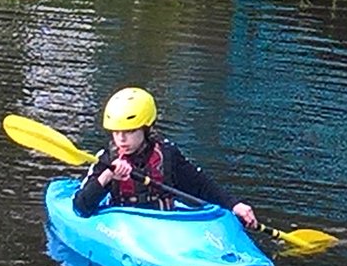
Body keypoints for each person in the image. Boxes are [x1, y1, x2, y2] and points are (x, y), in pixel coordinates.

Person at [72, 86, 258, 228]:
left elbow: (201, 185)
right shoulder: (106, 159)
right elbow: (81, 207)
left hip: (165, 225)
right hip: (124, 225)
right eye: (116, 132)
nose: (121, 139)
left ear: (146, 128)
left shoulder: (167, 153)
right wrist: (107, 176)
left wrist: (234, 205)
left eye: (129, 131)